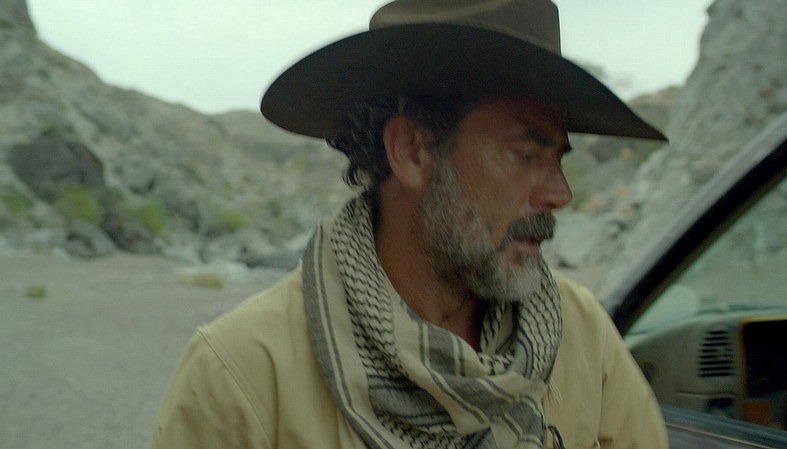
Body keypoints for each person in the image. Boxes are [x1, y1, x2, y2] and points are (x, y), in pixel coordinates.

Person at [150, 1, 669, 448]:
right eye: (525, 154)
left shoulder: (581, 334)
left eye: (557, 159)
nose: (560, 194)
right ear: (412, 151)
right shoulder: (243, 372)